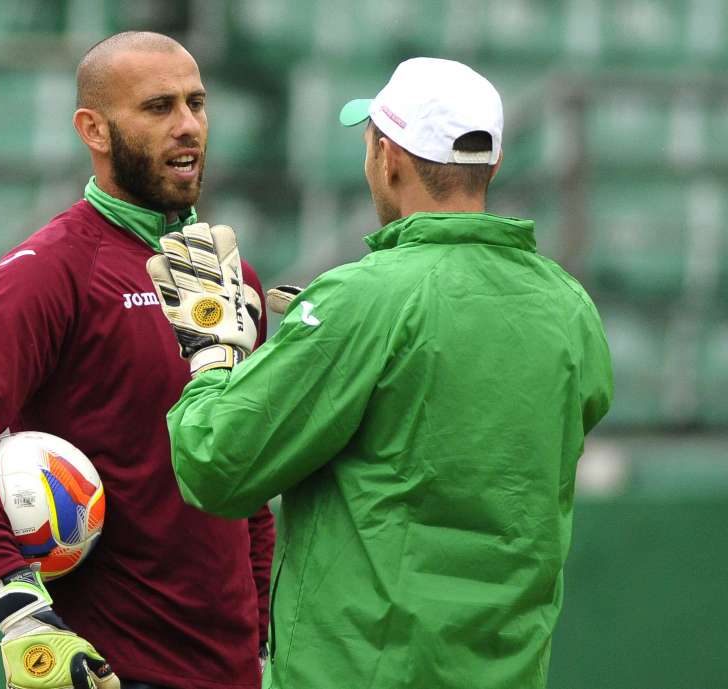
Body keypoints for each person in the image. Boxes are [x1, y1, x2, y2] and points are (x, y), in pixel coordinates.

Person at [147, 57, 614, 689]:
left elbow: (215, 463)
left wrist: (213, 350)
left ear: (387, 156)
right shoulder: (570, 304)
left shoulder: (363, 299)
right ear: (493, 164)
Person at [0, 31, 275, 689]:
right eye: (159, 108)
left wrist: (266, 639)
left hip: (236, 673)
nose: (188, 126)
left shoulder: (227, 275)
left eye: (197, 103)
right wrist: (23, 614)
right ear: (94, 130)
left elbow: (243, 484)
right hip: (110, 671)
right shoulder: (51, 272)